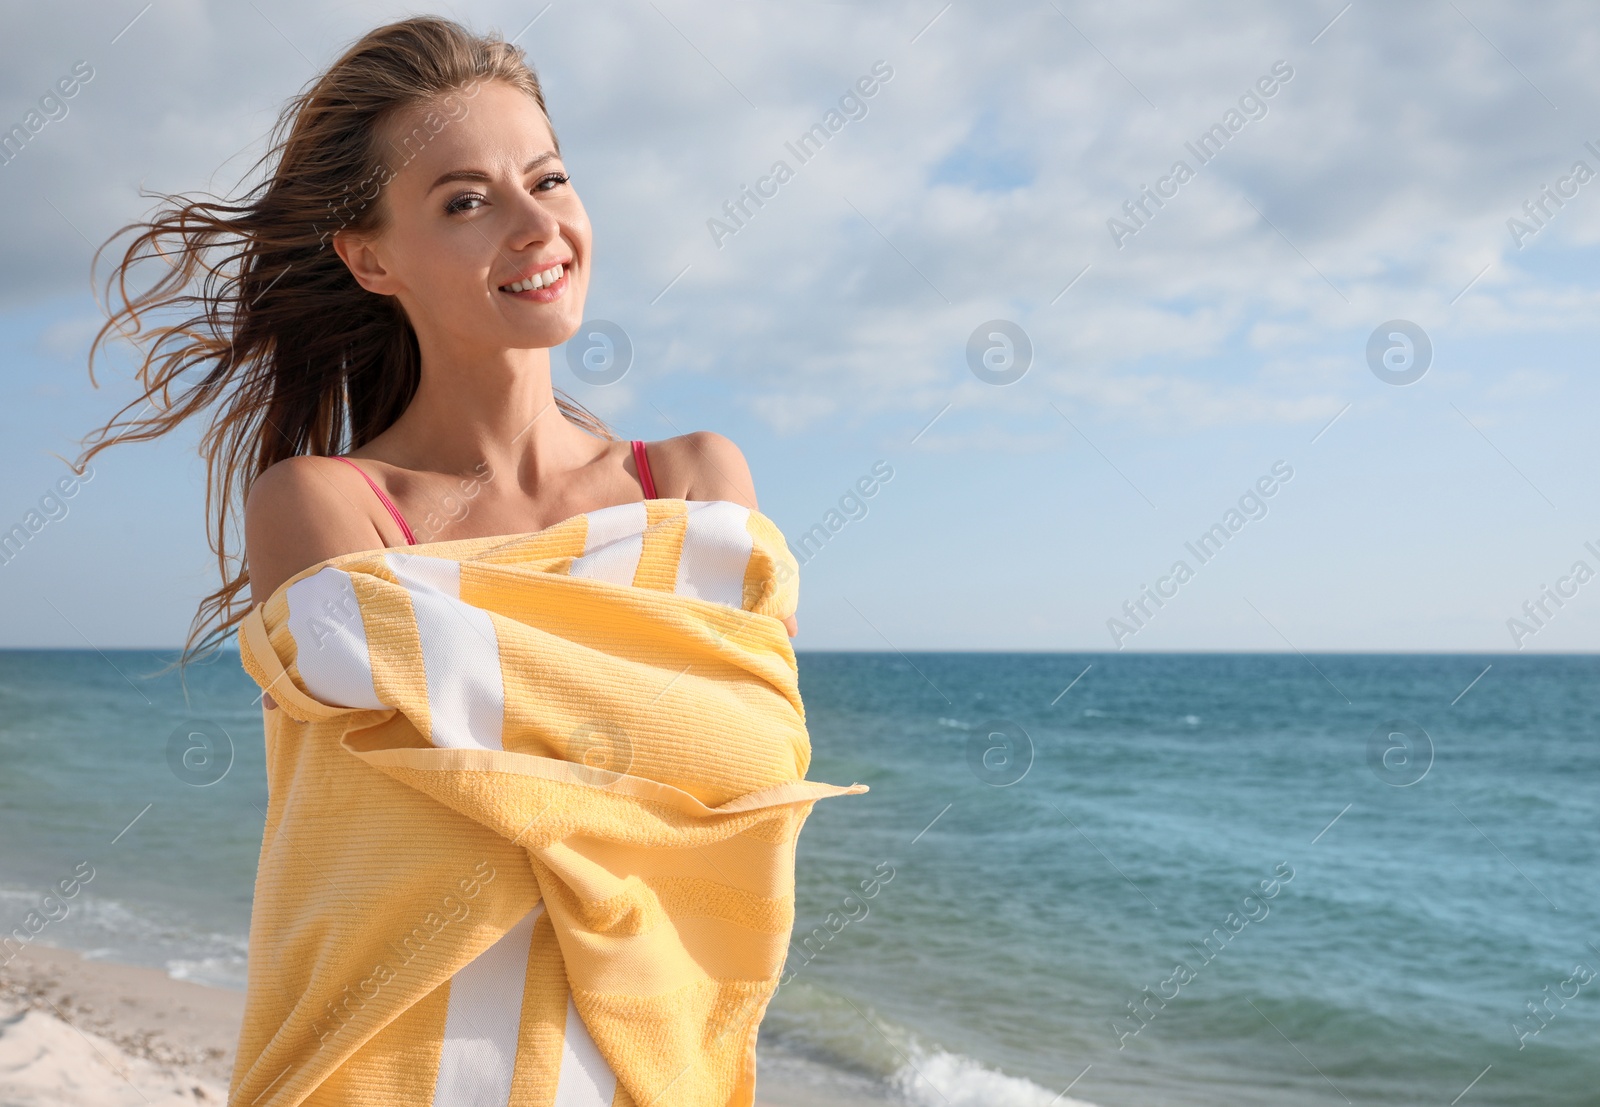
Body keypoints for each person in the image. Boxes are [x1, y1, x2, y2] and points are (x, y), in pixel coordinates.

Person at [72, 16, 844, 1106]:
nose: (539, 226)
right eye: (466, 201)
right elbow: (706, 746)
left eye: (550, 178)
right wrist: (669, 721)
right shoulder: (324, 507)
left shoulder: (696, 483)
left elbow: (749, 779)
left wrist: (632, 733)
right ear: (370, 256)